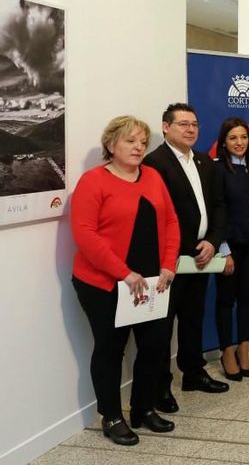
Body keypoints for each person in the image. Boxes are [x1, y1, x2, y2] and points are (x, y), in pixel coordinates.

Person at [71, 115, 179, 445]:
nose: (139, 147)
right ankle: (112, 416)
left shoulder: (153, 177)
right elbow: (85, 235)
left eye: (143, 142)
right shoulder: (93, 182)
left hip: (152, 284)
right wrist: (124, 273)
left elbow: (171, 222)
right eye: (131, 141)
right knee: (110, 350)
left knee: (154, 346)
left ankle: (143, 409)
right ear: (111, 144)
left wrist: (168, 265)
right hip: (104, 284)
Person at [144, 103, 229, 414]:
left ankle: (193, 373)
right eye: (183, 124)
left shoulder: (206, 162)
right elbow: (157, 216)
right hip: (170, 259)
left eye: (194, 124)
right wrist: (185, 246)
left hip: (201, 256)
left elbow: (219, 206)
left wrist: (213, 241)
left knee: (193, 318)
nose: (191, 129)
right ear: (166, 127)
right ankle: (160, 386)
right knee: (163, 327)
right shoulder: (154, 163)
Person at [213, 118, 249, 380]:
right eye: (233, 138)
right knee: (226, 299)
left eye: (244, 137)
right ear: (224, 142)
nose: (239, 143)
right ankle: (227, 351)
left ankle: (244, 349)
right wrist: (223, 249)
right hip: (228, 246)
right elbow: (217, 211)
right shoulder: (217, 170)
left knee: (247, 296)